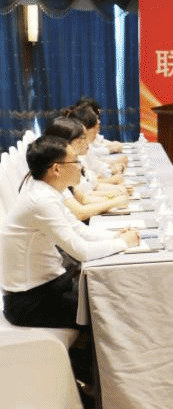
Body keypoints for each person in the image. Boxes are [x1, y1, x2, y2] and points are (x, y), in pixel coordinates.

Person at [1, 137, 139, 396]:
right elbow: (81, 250)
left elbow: (78, 230)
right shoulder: (40, 201)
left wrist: (116, 237)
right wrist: (123, 243)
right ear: (56, 168)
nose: (80, 166)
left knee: (107, 297)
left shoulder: (46, 192)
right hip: (29, 301)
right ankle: (105, 388)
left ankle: (103, 379)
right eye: (75, 161)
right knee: (108, 309)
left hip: (47, 287)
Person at [43, 117, 129, 220]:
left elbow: (84, 196)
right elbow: (80, 211)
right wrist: (113, 201)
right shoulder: (55, 175)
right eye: (81, 139)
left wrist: (115, 196)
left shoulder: (68, 166)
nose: (86, 142)